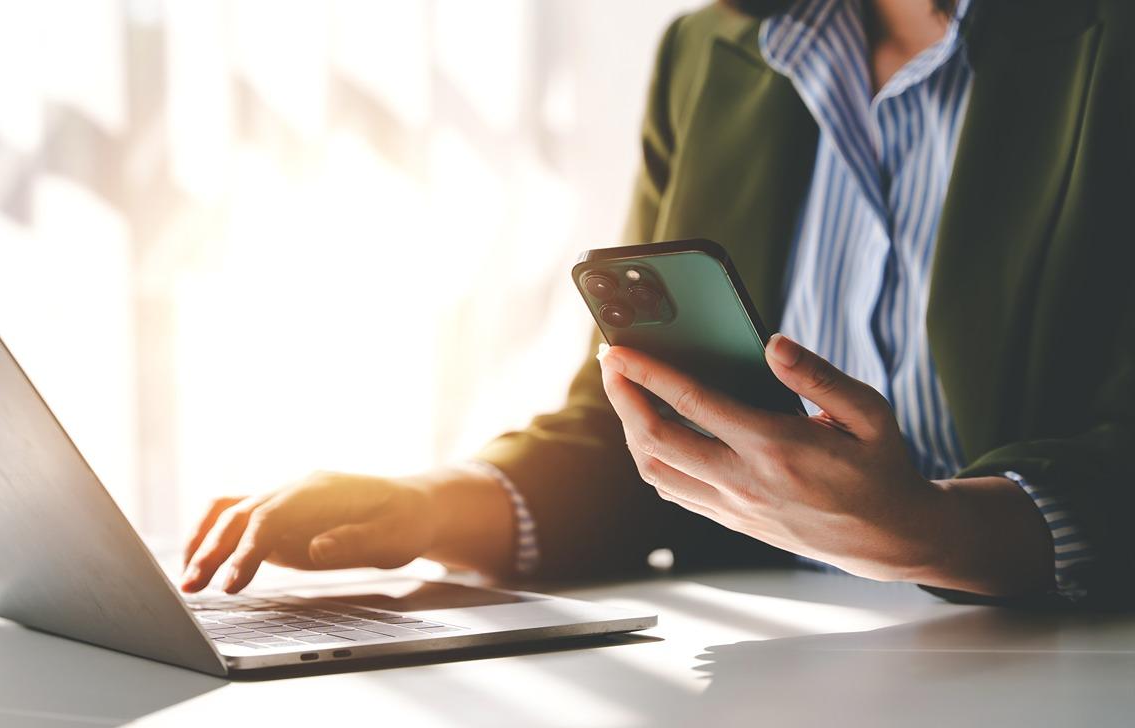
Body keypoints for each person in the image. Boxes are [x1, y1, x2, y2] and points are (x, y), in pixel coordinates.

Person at [181, 0, 1135, 607]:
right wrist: (432, 507)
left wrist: (947, 531)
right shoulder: (710, 50)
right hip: (772, 667)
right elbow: (636, 428)